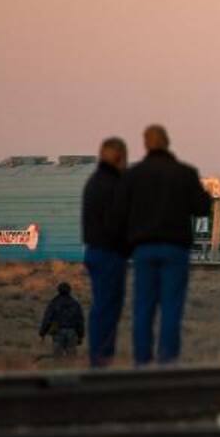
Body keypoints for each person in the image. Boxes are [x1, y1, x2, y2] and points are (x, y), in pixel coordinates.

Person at [113, 125, 211, 364]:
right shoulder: (185, 173)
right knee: (171, 308)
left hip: (144, 249)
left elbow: (118, 213)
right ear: (167, 142)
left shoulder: (133, 176)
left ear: (145, 144)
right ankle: (167, 360)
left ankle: (142, 361)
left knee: (143, 308)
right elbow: (202, 208)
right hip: (175, 249)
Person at [82, 136, 128, 367]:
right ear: (119, 157)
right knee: (108, 308)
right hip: (110, 252)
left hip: (94, 250)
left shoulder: (93, 182)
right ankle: (102, 358)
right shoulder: (114, 185)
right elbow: (117, 222)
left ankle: (98, 357)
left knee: (101, 306)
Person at [39, 282, 85, 357]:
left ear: (58, 290)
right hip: (72, 332)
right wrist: (80, 335)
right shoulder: (75, 303)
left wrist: (42, 332)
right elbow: (80, 321)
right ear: (69, 290)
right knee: (71, 357)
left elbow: (47, 318)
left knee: (58, 357)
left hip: (58, 332)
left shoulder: (54, 303)